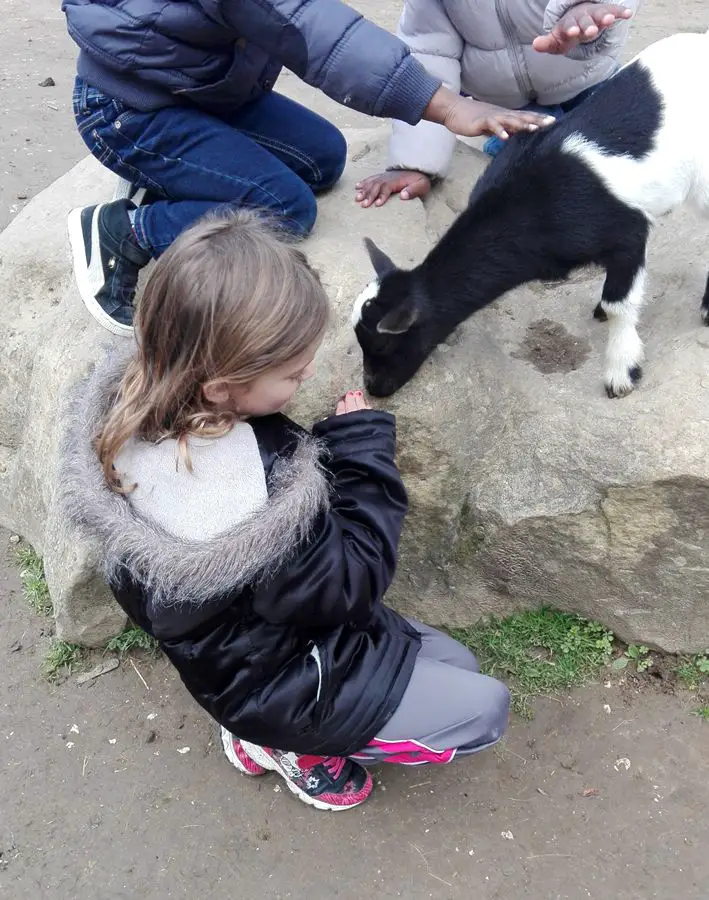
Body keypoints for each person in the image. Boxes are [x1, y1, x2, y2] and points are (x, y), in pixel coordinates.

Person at [60, 211, 510, 811]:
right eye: (294, 374)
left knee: (459, 662)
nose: (309, 377)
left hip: (245, 655)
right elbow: (356, 579)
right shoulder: (254, 514)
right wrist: (361, 450)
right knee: (485, 710)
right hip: (282, 684)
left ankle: (262, 728)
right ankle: (285, 745)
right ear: (222, 387)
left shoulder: (135, 419)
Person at [61, 0, 553, 337]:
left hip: (202, 90)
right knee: (286, 210)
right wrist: (444, 106)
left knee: (323, 158)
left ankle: (175, 179)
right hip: (132, 110)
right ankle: (126, 231)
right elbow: (324, 37)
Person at [355, 0, 637, 208]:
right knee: (535, 174)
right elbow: (429, 56)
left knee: (624, 145)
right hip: (508, 108)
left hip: (586, 79)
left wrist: (586, 7)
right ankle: (507, 143)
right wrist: (415, 161)